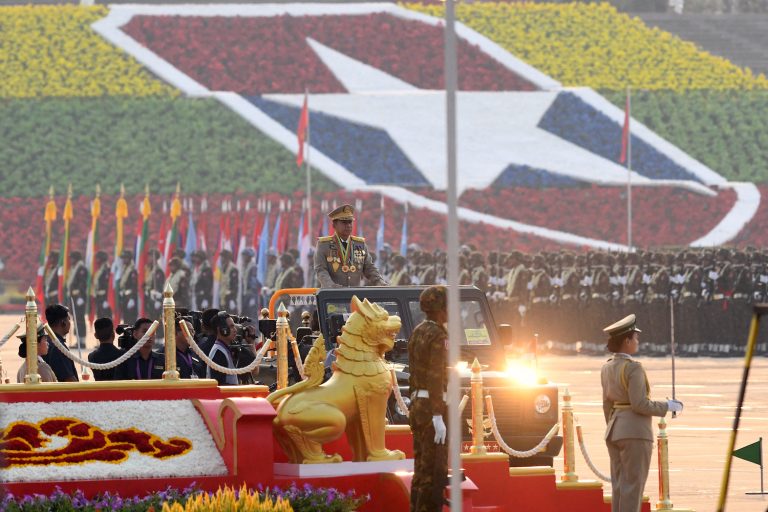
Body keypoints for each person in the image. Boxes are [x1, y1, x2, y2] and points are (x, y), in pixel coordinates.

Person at [601, 314, 683, 512]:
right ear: (627, 341)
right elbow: (639, 404)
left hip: (614, 429)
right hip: (635, 433)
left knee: (620, 487)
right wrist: (668, 406)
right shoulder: (633, 369)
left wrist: (616, 426)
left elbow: (607, 404)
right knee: (633, 487)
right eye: (635, 338)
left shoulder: (607, 367)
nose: (637, 341)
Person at [408, 285, 448, 512]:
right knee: (433, 472)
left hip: (418, 404)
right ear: (441, 308)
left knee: (420, 469)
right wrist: (437, 413)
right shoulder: (438, 335)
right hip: (432, 406)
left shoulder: (418, 331)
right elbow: (435, 375)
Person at [313, 204, 387, 288]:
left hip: (355, 296)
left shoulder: (360, 244)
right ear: (334, 225)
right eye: (344, 222)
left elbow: (369, 267)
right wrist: (330, 285)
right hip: (332, 296)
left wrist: (379, 281)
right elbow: (321, 270)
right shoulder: (324, 245)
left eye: (350, 222)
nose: (348, 225)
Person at [42, 304, 78, 382]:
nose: (70, 323)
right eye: (68, 319)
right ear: (63, 323)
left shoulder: (46, 341)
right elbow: (69, 381)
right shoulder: (58, 348)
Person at [206, 311, 239, 385]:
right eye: (231, 326)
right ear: (220, 329)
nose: (235, 330)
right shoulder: (218, 352)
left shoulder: (223, 349)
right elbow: (219, 385)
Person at [67, 251, 88, 346]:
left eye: (72, 258)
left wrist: (80, 297)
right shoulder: (74, 268)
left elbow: (82, 284)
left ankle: (82, 341)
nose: (71, 260)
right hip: (74, 298)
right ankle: (78, 340)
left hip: (79, 298)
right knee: (76, 319)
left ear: (77, 259)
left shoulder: (81, 269)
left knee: (79, 319)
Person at [119, 250, 139, 325]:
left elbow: (134, 285)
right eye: (123, 258)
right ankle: (127, 335)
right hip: (125, 298)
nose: (124, 260)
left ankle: (132, 336)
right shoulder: (124, 269)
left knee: (131, 320)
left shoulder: (132, 270)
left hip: (130, 298)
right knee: (126, 319)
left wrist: (132, 298)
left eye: (125, 258)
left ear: (129, 259)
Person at [91, 251, 112, 319]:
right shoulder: (99, 270)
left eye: (98, 258)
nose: (96, 260)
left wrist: (107, 300)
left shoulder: (107, 270)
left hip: (104, 298)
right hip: (99, 298)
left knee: (106, 319)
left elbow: (108, 286)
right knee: (99, 318)